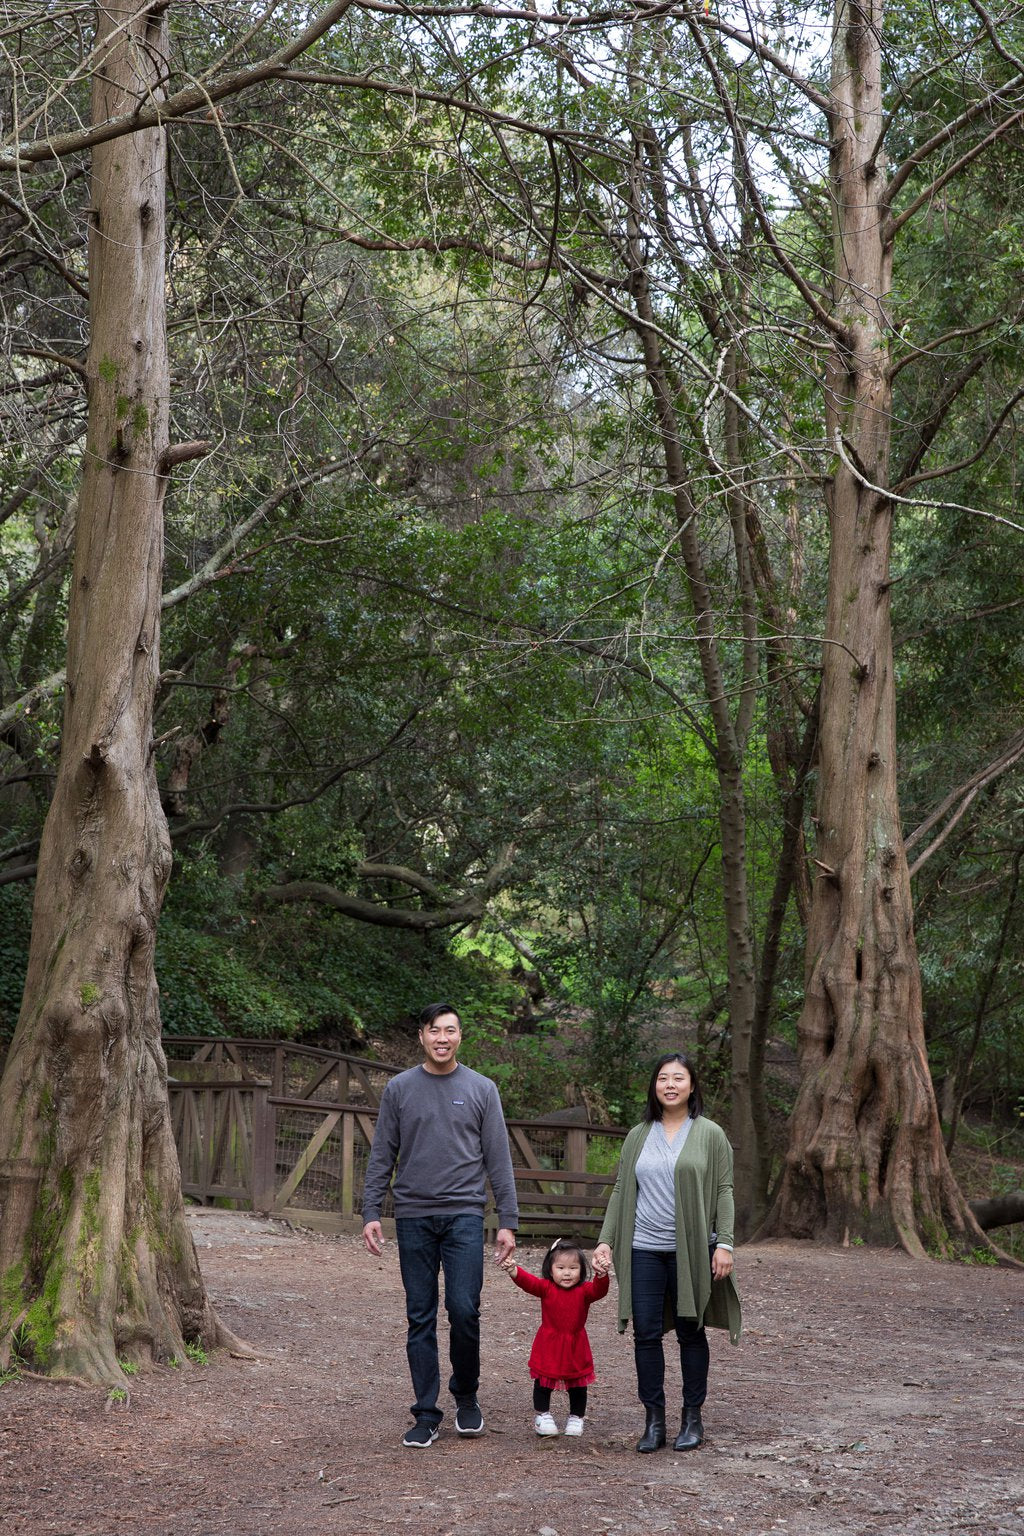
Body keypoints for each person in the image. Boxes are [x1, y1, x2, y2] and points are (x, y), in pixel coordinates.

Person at [362, 1002, 519, 1448]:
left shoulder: (482, 1089)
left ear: (460, 1036)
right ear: (422, 1036)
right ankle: (426, 1412)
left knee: (465, 1310)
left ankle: (466, 1396)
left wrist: (507, 1220)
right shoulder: (399, 1089)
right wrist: (371, 1211)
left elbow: (498, 1159)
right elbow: (382, 1154)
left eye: (451, 1030)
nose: (443, 1038)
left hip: (466, 1215)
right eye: (435, 1031)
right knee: (420, 1315)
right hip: (413, 1216)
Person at [593, 1052, 741, 1454]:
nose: (670, 1085)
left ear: (692, 1086)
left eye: (678, 1078)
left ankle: (692, 1418)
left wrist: (724, 1242)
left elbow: (725, 1190)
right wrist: (606, 1239)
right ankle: (653, 1420)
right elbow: (622, 1189)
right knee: (646, 1334)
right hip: (642, 1248)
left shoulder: (710, 1133)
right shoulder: (638, 1134)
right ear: (654, 1086)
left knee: (691, 1332)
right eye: (663, 1078)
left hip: (691, 1249)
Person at [499, 1237, 610, 1438]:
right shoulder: (546, 1288)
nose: (567, 1273)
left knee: (578, 1384)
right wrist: (513, 1270)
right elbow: (528, 1282)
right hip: (549, 1344)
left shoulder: (584, 1291)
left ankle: (576, 1417)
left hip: (576, 1345)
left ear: (582, 1271)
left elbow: (599, 1290)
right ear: (551, 1270)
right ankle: (543, 1415)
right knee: (543, 1381)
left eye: (573, 1268)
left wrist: (602, 1275)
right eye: (560, 1268)